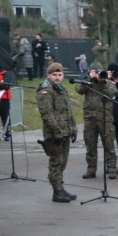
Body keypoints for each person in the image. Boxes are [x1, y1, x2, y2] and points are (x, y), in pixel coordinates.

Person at [35, 62, 78, 203]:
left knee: (63, 162)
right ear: (49, 75)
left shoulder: (61, 89)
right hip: (54, 133)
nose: (58, 77)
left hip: (65, 130)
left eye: (60, 75)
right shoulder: (46, 90)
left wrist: (73, 128)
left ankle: (60, 187)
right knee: (56, 162)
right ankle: (56, 191)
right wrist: (57, 131)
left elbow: (67, 111)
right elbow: (47, 114)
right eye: (54, 75)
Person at [76, 62, 118, 179]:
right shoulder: (87, 82)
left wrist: (104, 81)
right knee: (90, 145)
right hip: (90, 118)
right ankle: (91, 169)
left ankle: (111, 168)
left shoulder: (109, 83)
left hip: (105, 119)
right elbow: (79, 90)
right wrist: (90, 78)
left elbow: (112, 93)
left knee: (109, 144)